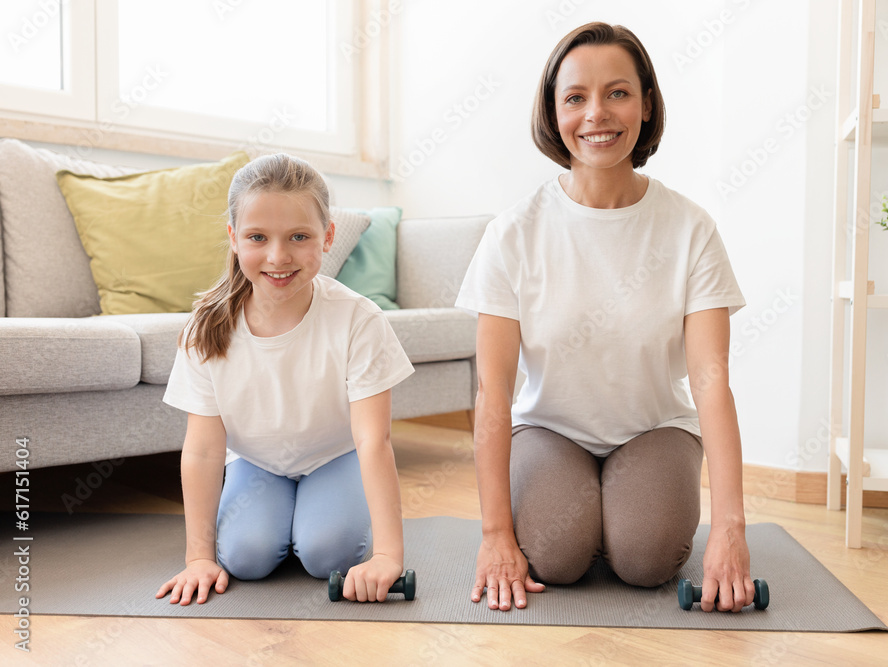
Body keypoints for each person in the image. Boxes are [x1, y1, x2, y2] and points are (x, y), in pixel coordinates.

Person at [456, 22, 752, 613]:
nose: (597, 114)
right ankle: (587, 512)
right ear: (553, 111)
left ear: (646, 104)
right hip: (549, 430)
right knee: (557, 556)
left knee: (645, 561)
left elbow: (711, 382)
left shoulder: (691, 230)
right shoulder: (512, 234)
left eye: (617, 93)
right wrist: (495, 535)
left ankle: (619, 512)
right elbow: (494, 391)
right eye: (576, 97)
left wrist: (729, 528)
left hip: (654, 430)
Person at [155, 153, 414, 605]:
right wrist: (199, 557)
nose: (278, 257)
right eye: (258, 237)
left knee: (325, 554)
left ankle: (317, 516)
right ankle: (282, 518)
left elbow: (374, 440)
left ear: (328, 236)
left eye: (299, 236)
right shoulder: (206, 327)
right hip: (257, 466)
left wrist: (389, 554)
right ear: (234, 239)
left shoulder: (358, 319)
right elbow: (202, 448)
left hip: (335, 456)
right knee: (245, 558)